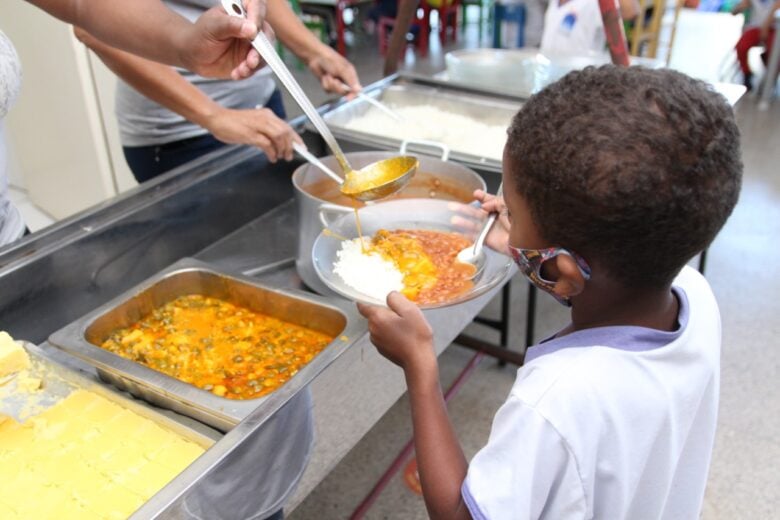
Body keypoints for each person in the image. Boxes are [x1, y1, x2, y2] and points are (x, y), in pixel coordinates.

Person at [358, 65, 742, 519]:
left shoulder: (556, 400)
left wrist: (420, 364)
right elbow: (602, 291)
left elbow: (460, 514)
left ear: (565, 268)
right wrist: (528, 248)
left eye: (514, 215)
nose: (504, 219)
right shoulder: (694, 294)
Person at [0, 0, 266, 248]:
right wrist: (212, 115)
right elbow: (85, 28)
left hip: (10, 238)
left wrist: (186, 43)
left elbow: (82, 4)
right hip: (172, 135)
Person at [75, 0, 361, 182]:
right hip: (181, 136)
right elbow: (89, 24)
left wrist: (313, 51)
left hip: (264, 113)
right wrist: (213, 115)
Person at [540, 0, 638, 57]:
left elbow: (630, 11)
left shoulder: (593, 2)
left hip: (580, 79)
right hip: (550, 74)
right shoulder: (554, 2)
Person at [732, 0, 780, 90]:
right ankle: (747, 74)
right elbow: (734, 12)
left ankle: (770, 76)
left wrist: (766, 27)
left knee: (776, 52)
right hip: (754, 28)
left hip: (774, 29)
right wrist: (740, 7)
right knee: (741, 47)